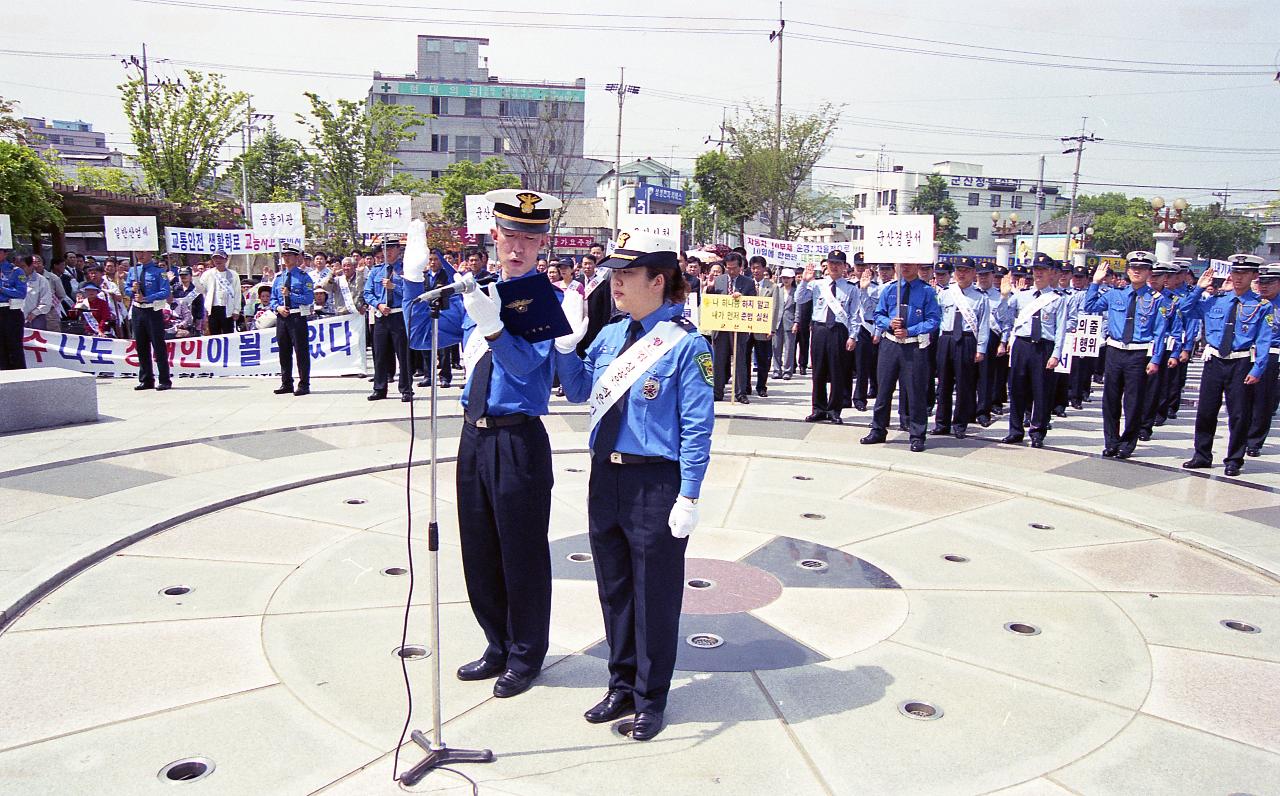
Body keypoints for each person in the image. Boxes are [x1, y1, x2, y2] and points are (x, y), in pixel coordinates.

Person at [402, 188, 565, 699]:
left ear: (542, 245)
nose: (518, 247)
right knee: (479, 546)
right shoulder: (478, 288)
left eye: (530, 239)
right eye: (510, 235)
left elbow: (526, 367)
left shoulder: (545, 299)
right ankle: (496, 642)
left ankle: (525, 654)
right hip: (474, 437)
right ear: (494, 236)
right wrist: (413, 278)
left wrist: (494, 326)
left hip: (518, 441)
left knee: (522, 552)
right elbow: (418, 335)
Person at [553, 230, 714, 742]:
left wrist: (689, 493)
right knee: (615, 588)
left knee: (654, 595)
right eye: (614, 272)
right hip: (607, 476)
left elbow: (696, 425)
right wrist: (562, 347)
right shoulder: (608, 335)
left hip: (654, 482)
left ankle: (651, 698)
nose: (615, 281)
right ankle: (620, 683)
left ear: (658, 280)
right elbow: (579, 390)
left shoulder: (688, 344)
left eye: (626, 273)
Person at [1180, 255, 1274, 476]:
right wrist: (1198, 289)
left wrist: (1258, 368)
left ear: (1254, 276)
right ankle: (1202, 455)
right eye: (1235, 273)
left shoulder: (1261, 305)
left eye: (1244, 274)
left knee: (1239, 414)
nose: (1238, 278)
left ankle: (1234, 459)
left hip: (1241, 361)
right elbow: (1185, 310)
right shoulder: (1216, 300)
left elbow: (1264, 340)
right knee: (1205, 410)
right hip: (1214, 360)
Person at [1083, 252, 1170, 458]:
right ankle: (1111, 441)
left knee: (1133, 400)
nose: (1136, 271)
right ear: (1127, 270)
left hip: (1138, 354)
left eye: (1142, 268)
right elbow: (1090, 306)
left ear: (1149, 272)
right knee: (1110, 399)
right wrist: (1095, 283)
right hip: (1114, 350)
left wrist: (1156, 359)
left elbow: (1160, 332)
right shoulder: (1116, 294)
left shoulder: (1158, 300)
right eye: (1133, 268)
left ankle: (1128, 442)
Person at [861, 260, 941, 451]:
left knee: (915, 391)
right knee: (883, 389)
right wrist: (889, 323)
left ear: (917, 266)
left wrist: (911, 330)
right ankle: (878, 429)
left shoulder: (927, 291)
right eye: (902, 264)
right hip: (890, 344)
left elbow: (933, 320)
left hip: (913, 346)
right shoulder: (890, 290)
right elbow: (878, 314)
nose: (905, 267)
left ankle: (917, 434)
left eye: (910, 264)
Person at [996, 253, 1070, 448]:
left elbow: (1060, 329)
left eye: (1043, 270)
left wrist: (1056, 354)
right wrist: (1004, 296)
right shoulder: (1021, 297)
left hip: (1044, 347)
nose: (1038, 273)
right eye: (1036, 270)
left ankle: (1038, 431)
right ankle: (1015, 430)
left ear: (1051, 273)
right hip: (1022, 345)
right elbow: (1002, 317)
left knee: (1042, 392)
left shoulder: (1058, 299)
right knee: (1017, 389)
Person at [932, 257, 991, 439]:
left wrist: (981, 349)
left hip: (967, 340)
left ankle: (960, 424)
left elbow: (983, 325)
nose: (962, 274)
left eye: (966, 270)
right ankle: (941, 423)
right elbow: (937, 317)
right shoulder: (945, 293)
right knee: (943, 384)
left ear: (974, 273)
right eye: (959, 270)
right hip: (947, 339)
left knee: (965, 384)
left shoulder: (980, 297)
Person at [798, 251, 858, 423]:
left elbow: (854, 314)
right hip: (820, 330)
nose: (834, 266)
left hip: (839, 331)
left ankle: (834, 409)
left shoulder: (850, 288)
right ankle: (818, 408)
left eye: (838, 263)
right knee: (818, 371)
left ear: (845, 266)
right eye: (831, 263)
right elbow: (800, 298)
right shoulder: (817, 285)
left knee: (837, 371)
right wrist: (804, 280)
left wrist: (853, 336)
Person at [364, 234, 414, 402]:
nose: (388, 252)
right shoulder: (376, 271)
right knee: (379, 354)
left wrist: (396, 286)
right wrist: (378, 305)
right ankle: (379, 388)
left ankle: (406, 389)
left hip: (399, 315)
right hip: (381, 316)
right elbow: (367, 292)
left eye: (391, 248)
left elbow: (412, 292)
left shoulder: (406, 270)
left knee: (403, 354)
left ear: (398, 250)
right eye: (385, 249)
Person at [705, 251, 755, 403]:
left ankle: (741, 393)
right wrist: (710, 288)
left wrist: (742, 297)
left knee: (740, 360)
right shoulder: (718, 280)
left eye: (734, 268)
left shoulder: (748, 282)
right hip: (720, 327)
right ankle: (717, 392)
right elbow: (709, 302)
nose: (731, 271)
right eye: (728, 268)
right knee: (718, 360)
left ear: (741, 267)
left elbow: (753, 303)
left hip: (738, 327)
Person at [269, 245, 315, 397]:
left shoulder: (303, 277)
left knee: (301, 351)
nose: (287, 258)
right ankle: (286, 382)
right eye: (285, 255)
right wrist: (278, 308)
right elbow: (272, 299)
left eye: (290, 255)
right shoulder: (278, 277)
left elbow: (308, 298)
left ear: (297, 258)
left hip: (296, 316)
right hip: (282, 317)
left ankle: (304, 384)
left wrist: (291, 295)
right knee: (284, 351)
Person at [125, 250, 173, 390]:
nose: (140, 255)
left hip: (153, 310)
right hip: (137, 310)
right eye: (138, 253)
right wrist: (132, 290)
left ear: (150, 253)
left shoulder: (160, 271)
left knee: (158, 345)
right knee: (141, 345)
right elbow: (126, 288)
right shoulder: (133, 270)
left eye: (143, 253)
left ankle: (164, 379)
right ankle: (146, 379)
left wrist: (146, 298)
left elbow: (165, 292)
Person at [1246, 263, 1280, 456]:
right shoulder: (1252, 302)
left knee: (1262, 400)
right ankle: (1241, 436)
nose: (1264, 286)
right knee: (1243, 399)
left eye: (1270, 282)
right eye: (1261, 282)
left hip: (1272, 354)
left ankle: (1254, 441)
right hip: (1247, 354)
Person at [747, 256, 774, 397]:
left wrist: (772, 328)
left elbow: (776, 309)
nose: (755, 270)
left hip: (763, 328)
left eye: (758, 267)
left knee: (763, 359)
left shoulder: (772, 287)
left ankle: (761, 386)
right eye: (753, 268)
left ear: (764, 268)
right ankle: (745, 385)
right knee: (744, 358)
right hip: (746, 327)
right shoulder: (746, 284)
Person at [199, 251, 242, 334]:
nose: (218, 260)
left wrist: (236, 310)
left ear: (226, 260)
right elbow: (201, 290)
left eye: (221, 258)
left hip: (227, 308)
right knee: (214, 334)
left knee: (228, 334)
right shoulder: (208, 274)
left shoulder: (233, 275)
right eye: (215, 258)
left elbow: (237, 293)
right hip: (212, 308)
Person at [0, 245, 28, 369]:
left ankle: (18, 375)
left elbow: (21, 293)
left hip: (10, 311)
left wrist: (2, 289)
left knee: (14, 346)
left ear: (5, 254)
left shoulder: (15, 271)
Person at [770, 267, 799, 380]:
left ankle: (787, 371)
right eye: (783, 278)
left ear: (792, 279)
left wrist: (796, 322)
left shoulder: (796, 292)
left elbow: (798, 309)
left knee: (789, 348)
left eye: (788, 278)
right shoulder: (777, 289)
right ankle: (777, 370)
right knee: (776, 347)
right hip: (777, 322)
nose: (785, 280)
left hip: (790, 322)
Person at [20, 255, 51, 332]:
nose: (19, 269)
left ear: (31, 266)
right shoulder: (15, 278)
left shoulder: (41, 280)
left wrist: (34, 314)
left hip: (35, 318)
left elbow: (46, 302)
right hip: (17, 318)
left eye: (23, 266)